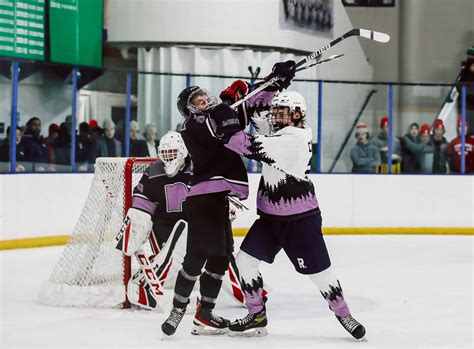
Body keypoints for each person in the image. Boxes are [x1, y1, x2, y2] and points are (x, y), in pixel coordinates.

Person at [161, 60, 297, 337]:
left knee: (222, 259)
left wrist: (275, 82)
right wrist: (227, 102)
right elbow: (227, 130)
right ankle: (178, 309)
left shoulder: (219, 114)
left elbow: (248, 107)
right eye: (197, 100)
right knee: (196, 257)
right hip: (201, 200)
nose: (204, 99)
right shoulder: (193, 126)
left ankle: (204, 314)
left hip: (218, 200)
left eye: (204, 94)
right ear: (190, 110)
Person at [220, 90, 366, 339]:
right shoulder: (278, 132)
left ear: (297, 115)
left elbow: (240, 143)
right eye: (275, 111)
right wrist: (274, 85)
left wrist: (221, 112)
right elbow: (256, 111)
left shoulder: (293, 139)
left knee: (320, 274)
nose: (274, 116)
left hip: (300, 220)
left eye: (281, 112)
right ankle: (256, 315)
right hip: (269, 218)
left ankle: (344, 314)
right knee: (244, 261)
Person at [116, 131, 193, 309]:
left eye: (172, 152)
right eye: (165, 153)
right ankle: (142, 284)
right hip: (162, 225)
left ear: (182, 151)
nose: (168, 157)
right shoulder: (154, 170)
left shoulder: (196, 168)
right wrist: (135, 223)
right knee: (171, 261)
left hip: (191, 225)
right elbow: (142, 201)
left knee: (214, 256)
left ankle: (248, 291)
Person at [457, 46, 474, 134]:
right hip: (467, 105)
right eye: (470, 55)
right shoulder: (466, 68)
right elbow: (459, 84)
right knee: (467, 132)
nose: (471, 57)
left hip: (468, 103)